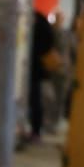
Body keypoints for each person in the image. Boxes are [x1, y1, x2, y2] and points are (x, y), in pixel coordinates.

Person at [27, 10, 63, 143]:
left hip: (34, 69)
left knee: (35, 99)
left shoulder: (37, 20)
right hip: (37, 68)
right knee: (36, 99)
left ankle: (36, 130)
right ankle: (36, 130)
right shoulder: (40, 20)